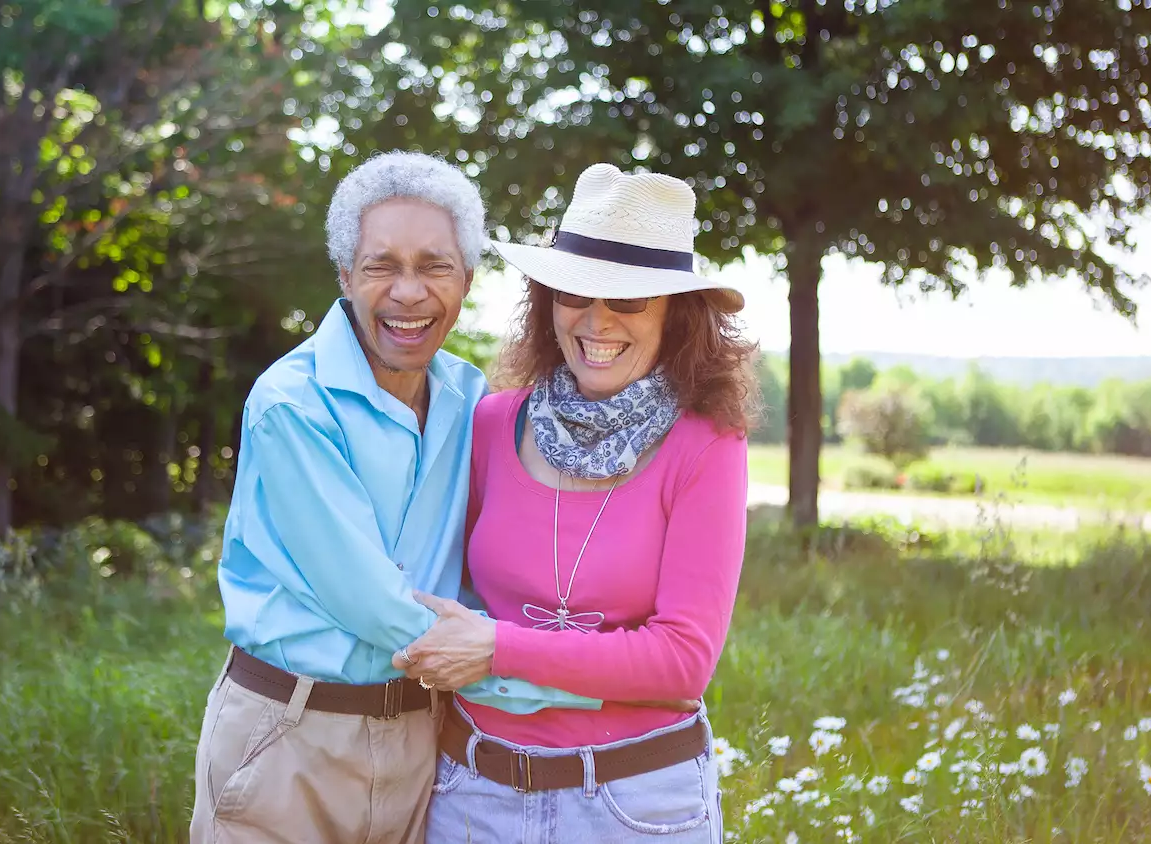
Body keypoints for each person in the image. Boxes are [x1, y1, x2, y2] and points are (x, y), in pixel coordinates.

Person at [187, 151, 604, 844]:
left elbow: (505, 558)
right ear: (346, 277)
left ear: (466, 281)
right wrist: (571, 681)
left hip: (420, 738)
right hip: (289, 739)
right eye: (382, 266)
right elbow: (374, 606)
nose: (409, 293)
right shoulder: (293, 405)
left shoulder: (474, 403)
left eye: (434, 266)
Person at [403, 162, 757, 843]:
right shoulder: (491, 424)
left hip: (634, 805)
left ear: (675, 314)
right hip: (475, 795)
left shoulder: (706, 447)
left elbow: (683, 664)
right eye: (573, 292)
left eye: (627, 301)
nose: (596, 321)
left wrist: (501, 648)